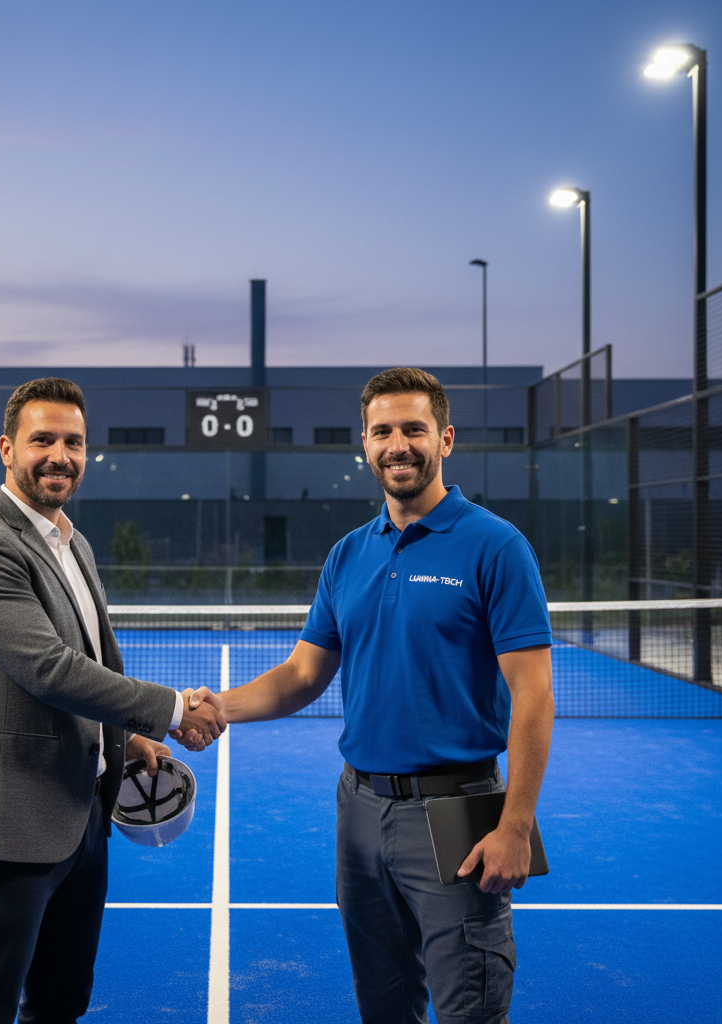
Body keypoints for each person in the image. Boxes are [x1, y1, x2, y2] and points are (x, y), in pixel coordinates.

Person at [178, 367, 554, 1024]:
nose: (397, 444)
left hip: (457, 813)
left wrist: (515, 826)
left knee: (470, 1009)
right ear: (365, 442)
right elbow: (302, 675)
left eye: (413, 428)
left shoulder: (496, 547)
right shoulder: (348, 555)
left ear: (445, 438)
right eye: (383, 431)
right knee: (383, 1007)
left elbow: (535, 696)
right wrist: (214, 708)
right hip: (358, 811)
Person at [0, 376, 225, 1024]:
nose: (59, 455)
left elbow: (87, 666)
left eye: (73, 442)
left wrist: (127, 739)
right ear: (7, 449)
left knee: (62, 1002)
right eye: (43, 440)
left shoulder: (72, 542)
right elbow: (49, 670)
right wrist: (173, 711)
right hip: (4, 830)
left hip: (81, 822)